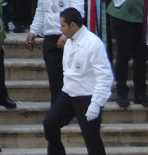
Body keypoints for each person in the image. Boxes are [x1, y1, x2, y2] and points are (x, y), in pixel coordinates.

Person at [42, 8, 113, 155]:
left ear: (72, 25)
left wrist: (96, 104)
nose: (60, 29)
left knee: (91, 138)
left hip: (86, 97)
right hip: (68, 94)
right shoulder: (68, 42)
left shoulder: (93, 44)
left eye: (63, 26)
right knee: (50, 123)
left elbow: (105, 76)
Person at [27, 0, 85, 104]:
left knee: (71, 76)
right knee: (54, 77)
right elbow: (41, 9)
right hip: (50, 35)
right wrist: (33, 31)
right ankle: (57, 109)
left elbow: (78, 11)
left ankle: (74, 108)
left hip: (70, 37)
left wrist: (67, 34)